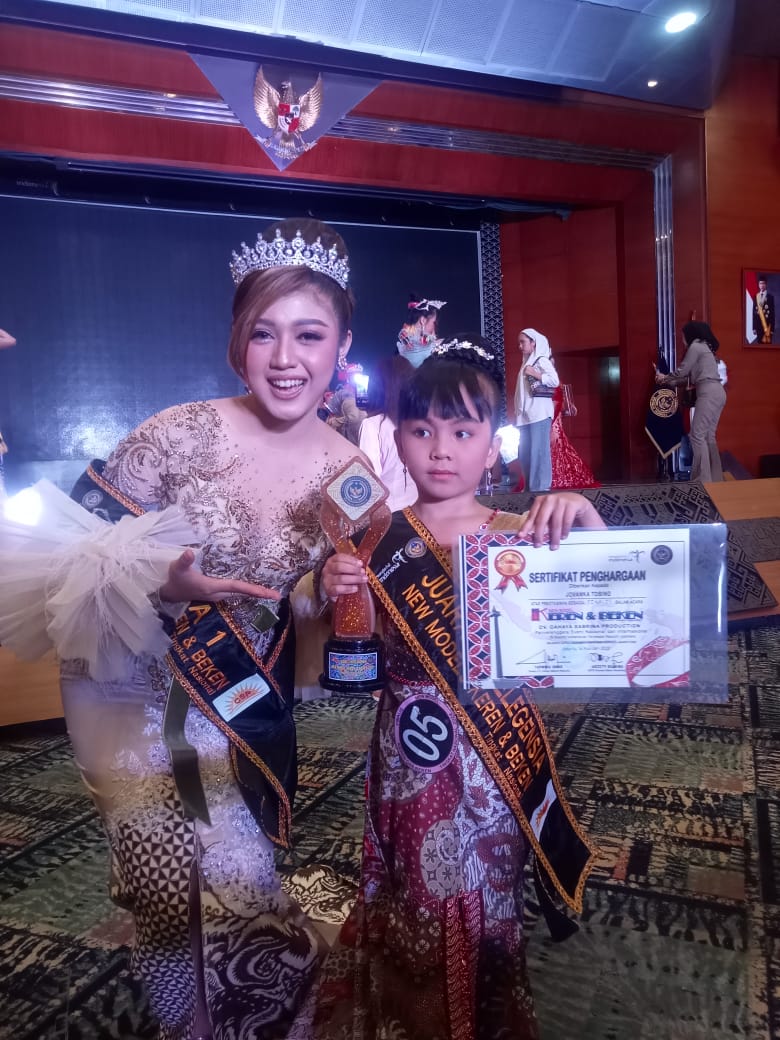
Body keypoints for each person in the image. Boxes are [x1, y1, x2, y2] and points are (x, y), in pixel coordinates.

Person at [55, 219, 364, 1040]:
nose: (285, 357)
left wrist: (329, 592)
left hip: (239, 700)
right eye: (264, 333)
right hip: (132, 683)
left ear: (341, 344)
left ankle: (255, 1018)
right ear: (238, 339)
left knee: (236, 877)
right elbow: (70, 550)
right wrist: (164, 578)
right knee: (163, 879)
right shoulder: (174, 432)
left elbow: (324, 610)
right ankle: (189, 1022)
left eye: (309, 334)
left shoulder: (350, 473)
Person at [312, 337, 603, 1040]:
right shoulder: (375, 538)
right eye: (422, 430)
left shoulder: (523, 534)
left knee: (491, 895)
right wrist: (329, 586)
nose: (441, 449)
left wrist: (588, 524)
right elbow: (343, 639)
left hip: (497, 755)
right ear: (398, 441)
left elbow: (601, 611)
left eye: (463, 432)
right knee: (416, 891)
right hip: (410, 755)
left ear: (493, 446)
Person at [655, 319, 726, 482]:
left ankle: (702, 480)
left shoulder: (695, 346)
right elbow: (688, 378)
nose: (682, 340)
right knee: (708, 436)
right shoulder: (705, 347)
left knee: (696, 435)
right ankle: (715, 478)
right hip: (717, 392)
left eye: (682, 336)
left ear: (690, 334)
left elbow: (682, 371)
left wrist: (664, 377)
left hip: (708, 393)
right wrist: (668, 381)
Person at [358, 354, 417, 509]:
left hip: (391, 515)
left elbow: (368, 482)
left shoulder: (373, 425)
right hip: (424, 513)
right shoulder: (423, 423)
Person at [514, 327, 559, 492]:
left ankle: (541, 488)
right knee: (525, 452)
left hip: (539, 414)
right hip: (526, 415)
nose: (520, 346)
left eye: (523, 342)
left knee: (539, 452)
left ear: (533, 343)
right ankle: (529, 488)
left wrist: (535, 374)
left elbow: (554, 381)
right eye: (519, 343)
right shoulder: (526, 362)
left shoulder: (541, 360)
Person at [550, 384, 599, 489]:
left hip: (553, 422)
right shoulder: (554, 383)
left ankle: (558, 479)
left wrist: (568, 406)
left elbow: (561, 403)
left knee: (558, 447)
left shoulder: (555, 383)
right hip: (551, 421)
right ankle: (557, 478)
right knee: (557, 448)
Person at [396, 295, 445, 368]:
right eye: (434, 323)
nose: (434, 330)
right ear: (423, 320)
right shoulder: (433, 347)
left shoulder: (402, 348)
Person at [753, 275, 775, 344]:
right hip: (758, 326)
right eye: (760, 283)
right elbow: (754, 314)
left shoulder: (770, 297)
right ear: (758, 285)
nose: (762, 285)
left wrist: (772, 329)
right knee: (759, 346)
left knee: (767, 347)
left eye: (763, 283)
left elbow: (772, 314)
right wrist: (754, 327)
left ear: (766, 284)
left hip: (767, 326)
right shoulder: (756, 297)